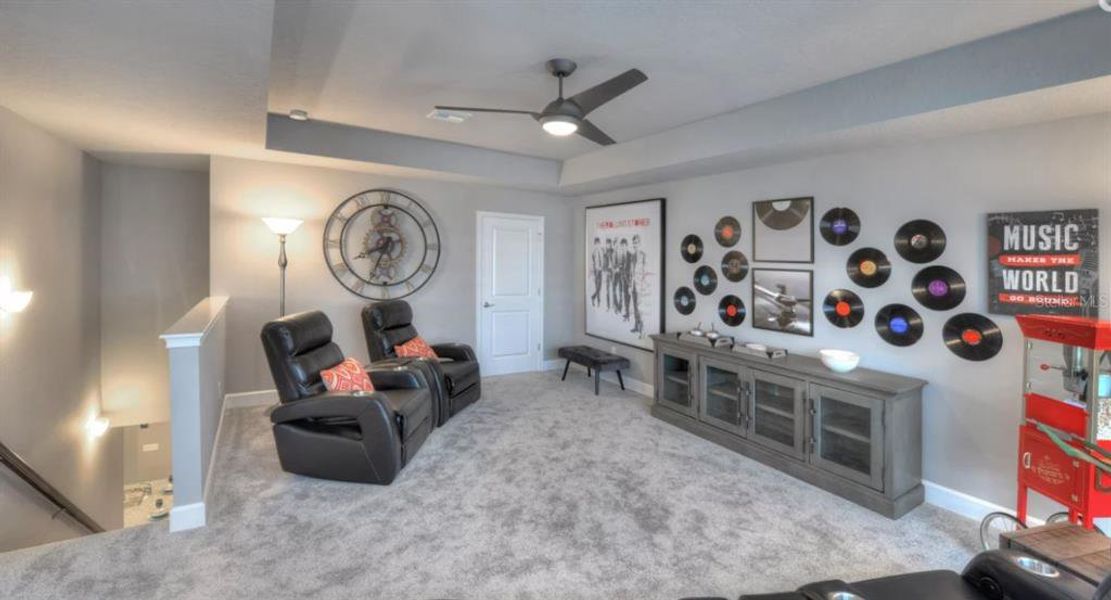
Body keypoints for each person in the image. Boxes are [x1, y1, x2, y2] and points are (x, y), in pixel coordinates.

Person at [628, 234, 646, 334]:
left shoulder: (643, 255)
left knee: (639, 307)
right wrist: (630, 286)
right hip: (633, 285)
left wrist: (643, 285)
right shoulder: (632, 256)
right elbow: (631, 273)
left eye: (636, 243)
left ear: (639, 243)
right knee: (635, 307)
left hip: (640, 285)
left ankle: (641, 329)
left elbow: (645, 271)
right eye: (633, 243)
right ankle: (636, 326)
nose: (635, 245)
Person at [589, 237, 603, 307]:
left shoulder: (601, 251)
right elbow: (592, 264)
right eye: (596, 243)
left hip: (600, 271)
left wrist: (602, 267)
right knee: (597, 287)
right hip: (596, 271)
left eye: (598, 243)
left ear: (599, 243)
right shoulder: (594, 253)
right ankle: (598, 301)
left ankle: (594, 297)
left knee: (599, 288)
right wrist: (593, 275)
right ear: (595, 244)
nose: (597, 245)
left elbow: (602, 261)